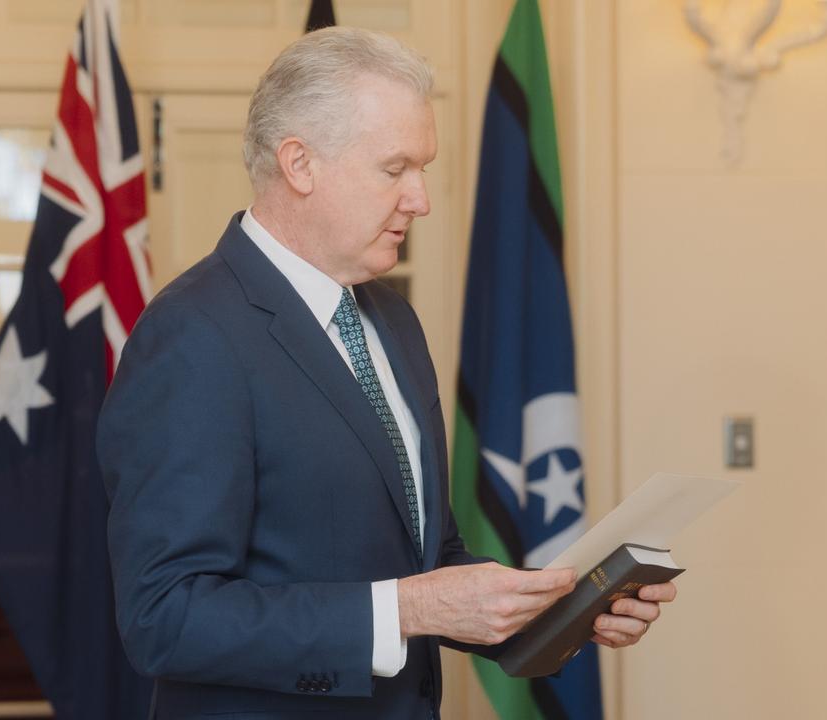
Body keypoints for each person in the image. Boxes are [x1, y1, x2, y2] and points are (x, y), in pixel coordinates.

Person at [97, 26, 676, 719]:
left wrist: (563, 608)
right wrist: (406, 609)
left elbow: (431, 555)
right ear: (299, 164)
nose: (421, 200)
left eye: (423, 168)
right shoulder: (193, 335)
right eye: (395, 168)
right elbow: (165, 617)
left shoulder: (392, 321)